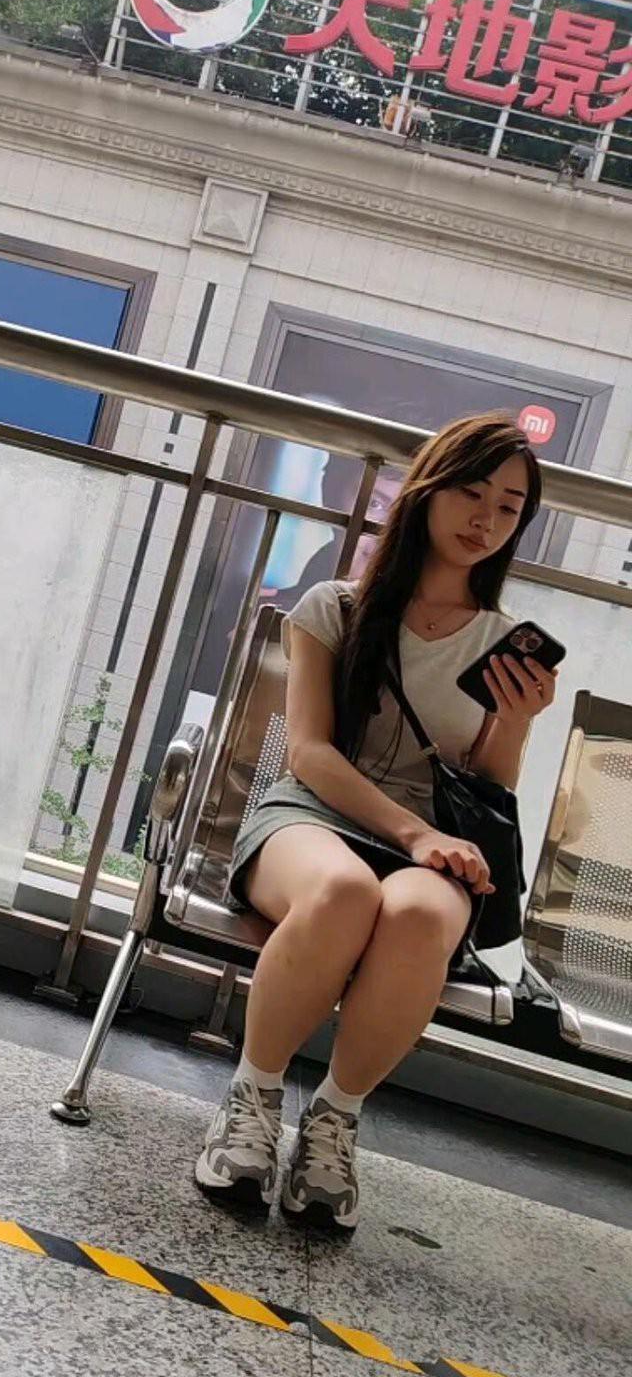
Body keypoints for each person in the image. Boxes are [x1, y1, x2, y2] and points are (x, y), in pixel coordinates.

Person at [195, 413, 557, 1232]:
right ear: (428, 488)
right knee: (344, 892)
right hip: (311, 817)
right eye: (471, 492)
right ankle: (253, 1097)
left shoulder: (505, 645)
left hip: (434, 846)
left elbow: (488, 789)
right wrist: (413, 834)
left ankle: (333, 1120)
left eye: (508, 508)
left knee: (421, 915)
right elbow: (310, 754)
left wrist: (516, 721)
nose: (485, 519)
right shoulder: (334, 606)